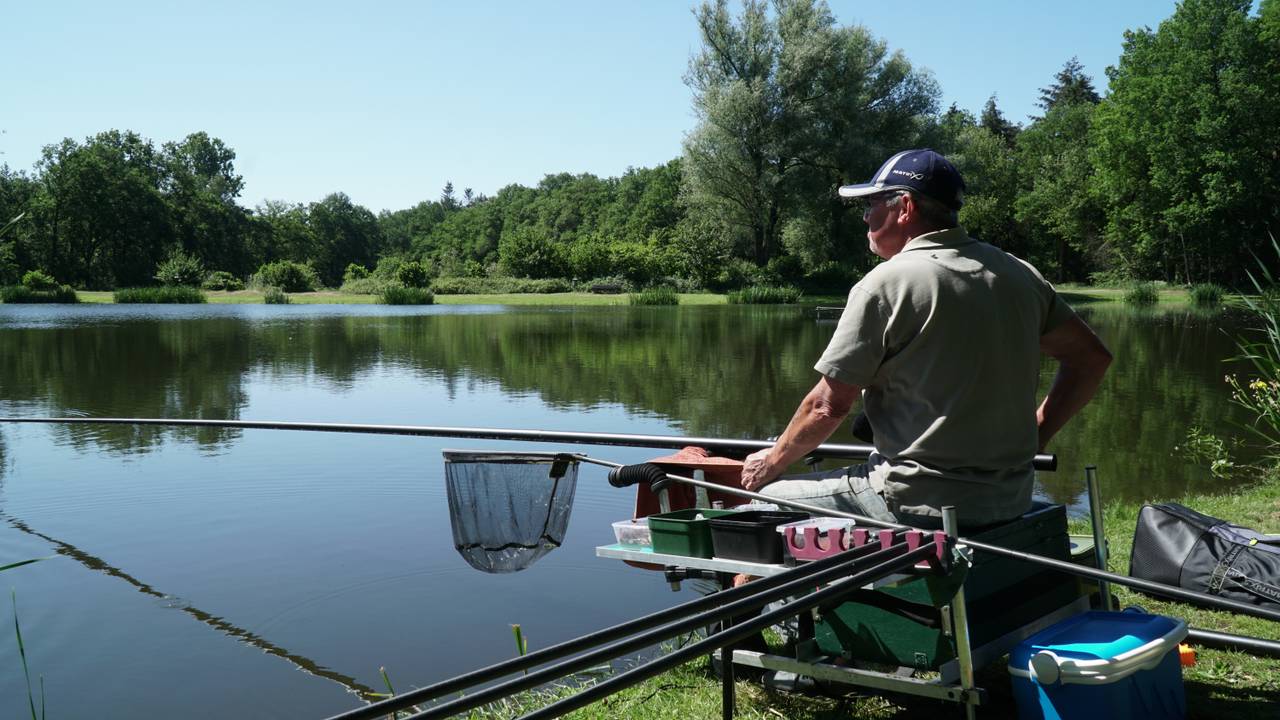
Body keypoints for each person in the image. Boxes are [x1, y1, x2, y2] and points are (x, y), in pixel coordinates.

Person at [740, 149, 1112, 529]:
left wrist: (769, 463)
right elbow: (1091, 358)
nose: (866, 216)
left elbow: (825, 407)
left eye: (871, 204)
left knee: (753, 508)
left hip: (914, 501)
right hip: (1009, 498)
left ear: (904, 207)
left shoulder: (886, 283)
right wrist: (1037, 433)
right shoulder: (1020, 274)